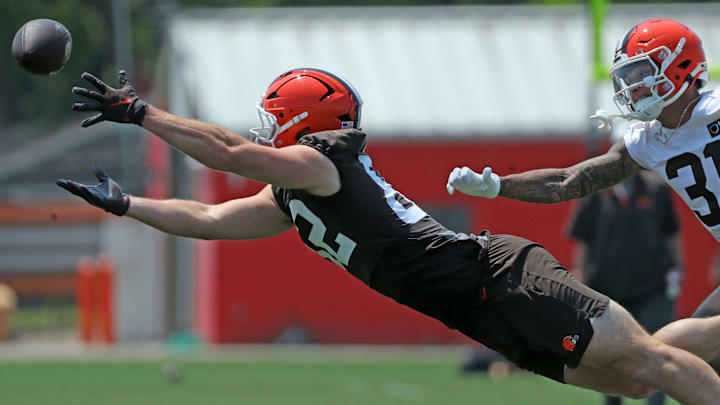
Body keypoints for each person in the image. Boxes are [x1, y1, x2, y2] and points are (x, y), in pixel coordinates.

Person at [58, 67, 720, 404]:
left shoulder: (321, 164)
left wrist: (140, 112)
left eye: (274, 117)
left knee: (654, 363)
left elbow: (229, 153)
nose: (262, 128)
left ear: (305, 121)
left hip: (502, 276)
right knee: (636, 382)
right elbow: (206, 220)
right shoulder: (293, 194)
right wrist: (128, 204)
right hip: (481, 314)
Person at [446, 18, 720, 328]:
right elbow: (569, 181)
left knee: (682, 356)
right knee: (683, 357)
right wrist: (498, 185)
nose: (633, 85)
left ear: (680, 65)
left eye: (642, 73)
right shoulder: (647, 141)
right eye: (628, 76)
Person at [567, 167, 683, 405]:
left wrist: (677, 266)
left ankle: (656, 403)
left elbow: (671, 231)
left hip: (653, 286)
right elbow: (584, 239)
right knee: (611, 356)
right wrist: (581, 276)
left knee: (657, 349)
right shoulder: (595, 190)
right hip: (608, 289)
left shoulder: (656, 188)